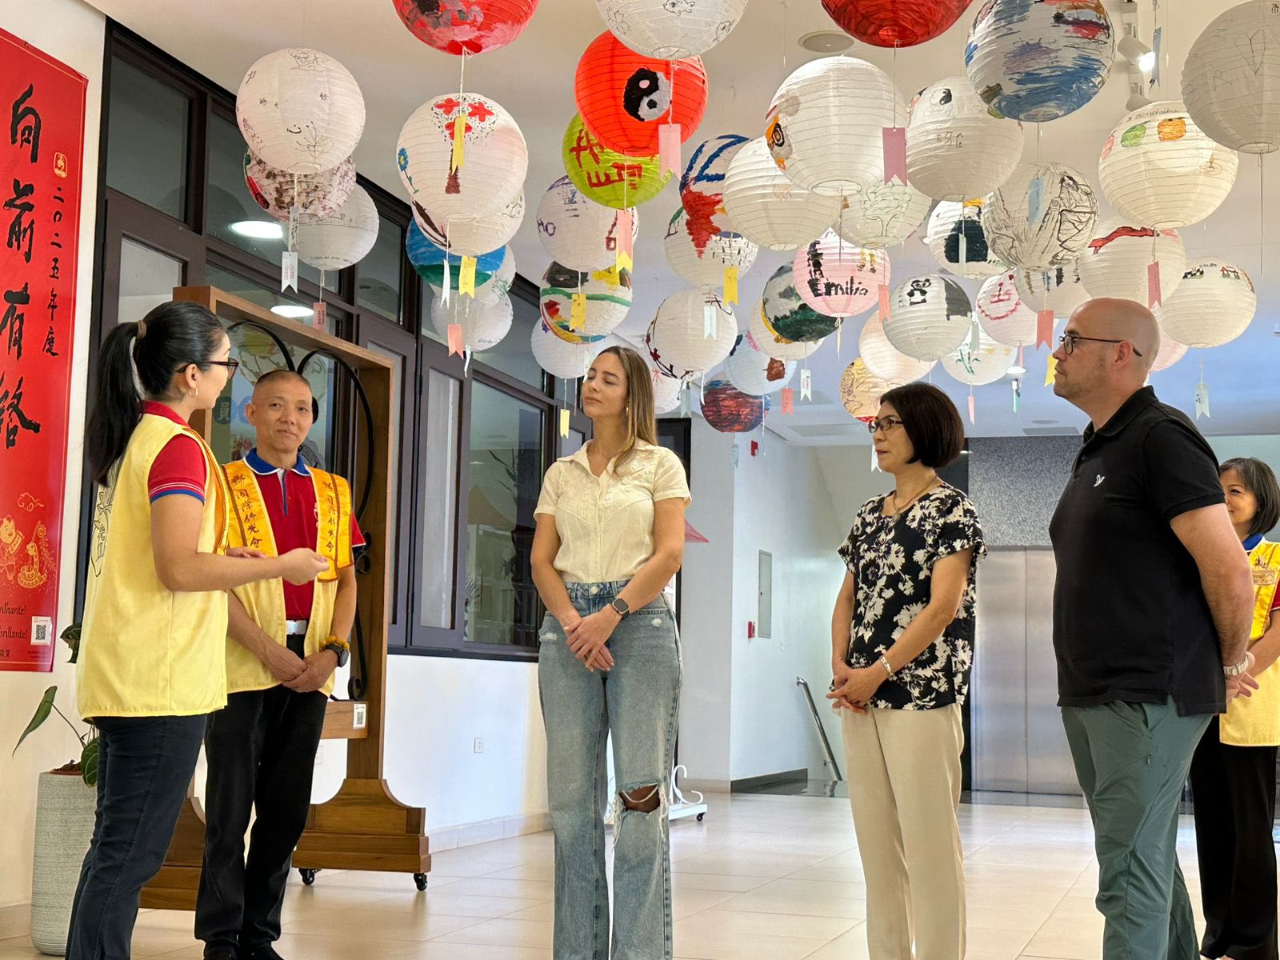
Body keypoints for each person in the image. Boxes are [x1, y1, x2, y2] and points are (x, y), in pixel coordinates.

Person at [71, 302, 328, 960]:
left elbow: (164, 554)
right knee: (128, 858)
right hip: (158, 682)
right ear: (191, 374)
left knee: (116, 852)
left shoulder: (141, 437)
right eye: (225, 364)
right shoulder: (180, 447)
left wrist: (229, 557)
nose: (227, 375)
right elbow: (178, 568)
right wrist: (281, 564)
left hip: (132, 673)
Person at [1048, 297, 1256, 960]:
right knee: (1147, 861)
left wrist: (1229, 662)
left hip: (1145, 692)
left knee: (1129, 880)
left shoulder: (1160, 436)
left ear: (1122, 354)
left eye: (1071, 339)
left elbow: (1229, 570)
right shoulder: (1097, 448)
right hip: (1093, 691)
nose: (1057, 351)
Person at [196, 370, 365, 960]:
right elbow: (210, 582)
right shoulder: (221, 483)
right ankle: (221, 938)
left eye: (301, 408)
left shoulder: (335, 491)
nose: (289, 418)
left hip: (312, 669)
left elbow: (347, 582)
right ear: (251, 411)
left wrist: (333, 652)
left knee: (287, 809)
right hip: (240, 665)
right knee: (228, 807)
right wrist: (267, 650)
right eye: (275, 406)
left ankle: (259, 935)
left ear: (312, 419)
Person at [530, 345, 689, 960]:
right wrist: (577, 623)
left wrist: (611, 615)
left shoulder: (660, 464)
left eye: (608, 379)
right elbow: (541, 561)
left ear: (632, 395)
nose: (592, 385)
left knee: (641, 803)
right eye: (590, 376)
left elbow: (669, 554)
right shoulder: (561, 473)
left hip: (639, 626)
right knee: (572, 809)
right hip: (566, 630)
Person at [826, 381, 984, 960]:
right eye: (877, 423)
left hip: (922, 694)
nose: (879, 433)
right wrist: (842, 665)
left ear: (925, 429)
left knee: (930, 848)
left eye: (891, 423)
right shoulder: (869, 514)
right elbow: (847, 597)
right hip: (861, 696)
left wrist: (881, 668)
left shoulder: (952, 509)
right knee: (876, 851)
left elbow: (943, 606)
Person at [1189, 457, 1280, 960]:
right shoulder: (1200, 558)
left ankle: (1255, 943)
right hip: (1203, 709)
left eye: (1236, 491)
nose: (1224, 499)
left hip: (1252, 707)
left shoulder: (1276, 557)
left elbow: (1278, 635)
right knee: (1212, 826)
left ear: (1261, 501)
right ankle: (1219, 933)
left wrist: (1236, 672)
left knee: (1252, 830)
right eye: (1218, 489)